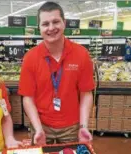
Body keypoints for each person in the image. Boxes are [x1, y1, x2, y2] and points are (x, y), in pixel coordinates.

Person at [18, 2, 95, 145]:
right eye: (45, 24)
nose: (51, 28)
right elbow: (27, 97)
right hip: (41, 125)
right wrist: (38, 128)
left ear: (64, 23)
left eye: (56, 22)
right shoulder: (30, 58)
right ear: (39, 28)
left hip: (72, 127)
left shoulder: (81, 54)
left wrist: (83, 126)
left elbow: (86, 93)